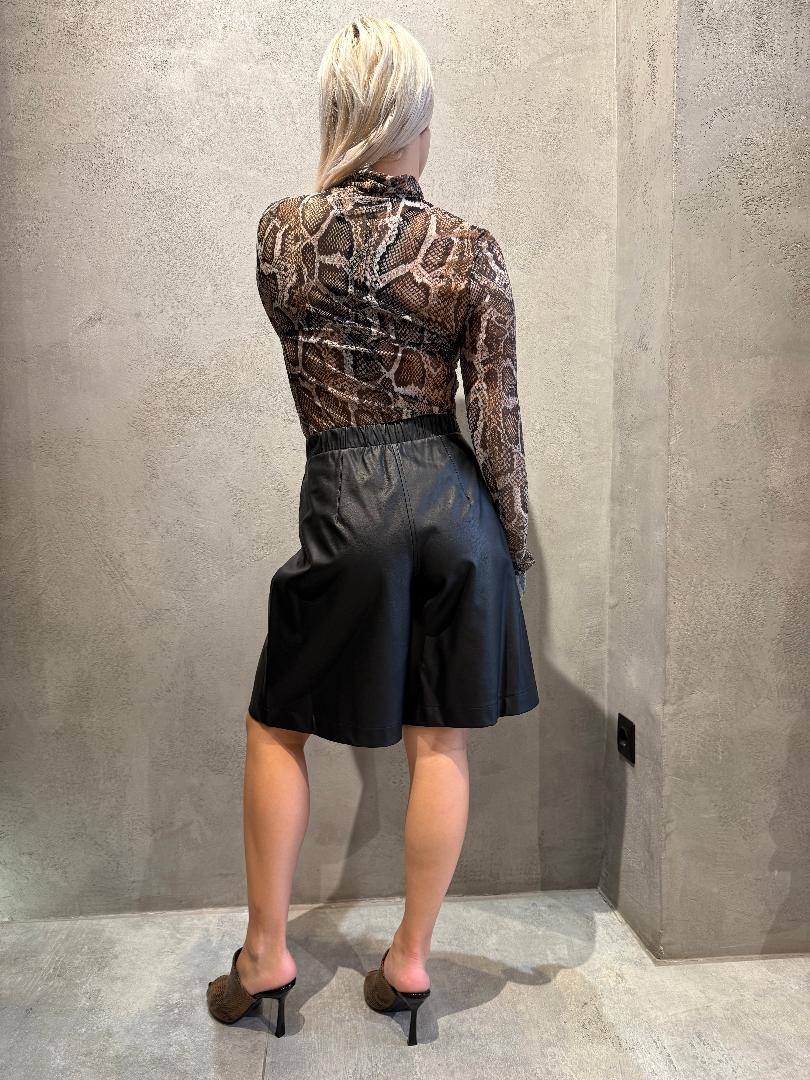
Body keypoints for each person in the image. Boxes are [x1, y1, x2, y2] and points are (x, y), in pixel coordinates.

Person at [206, 15, 539, 1045]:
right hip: (453, 503)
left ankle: (266, 957)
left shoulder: (281, 235)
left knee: (279, 724)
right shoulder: (470, 249)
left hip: (348, 494)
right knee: (439, 738)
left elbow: (314, 345)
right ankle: (408, 965)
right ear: (416, 122)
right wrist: (514, 543)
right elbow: (497, 417)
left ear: (338, 115)